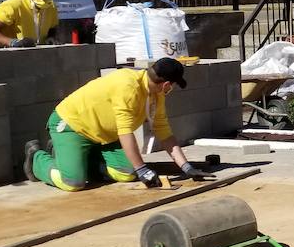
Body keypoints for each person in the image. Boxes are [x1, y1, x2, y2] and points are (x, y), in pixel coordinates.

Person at [25, 57, 210, 191]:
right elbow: (125, 133)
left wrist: (186, 167)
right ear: (167, 84)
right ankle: (37, 158)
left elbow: (164, 133)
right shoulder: (128, 87)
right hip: (72, 126)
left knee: (127, 173)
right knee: (72, 183)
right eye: (175, 85)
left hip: (103, 136)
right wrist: (143, 169)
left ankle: (77, 156)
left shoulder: (156, 96)